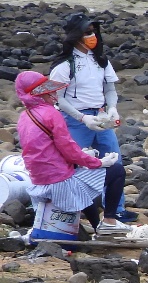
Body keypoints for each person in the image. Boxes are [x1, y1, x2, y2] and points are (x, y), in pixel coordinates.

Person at [13, 71, 127, 235]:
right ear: (38, 94)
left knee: (80, 178)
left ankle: (97, 227)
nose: (53, 94)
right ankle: (109, 220)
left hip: (38, 182)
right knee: (116, 171)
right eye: (48, 91)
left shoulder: (25, 116)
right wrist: (99, 162)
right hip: (59, 183)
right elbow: (69, 150)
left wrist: (83, 157)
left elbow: (45, 150)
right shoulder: (52, 113)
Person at [49, 13, 131, 221]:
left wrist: (112, 108)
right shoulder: (63, 65)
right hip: (75, 120)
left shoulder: (101, 60)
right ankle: (72, 209)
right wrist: (81, 118)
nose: (92, 36)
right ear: (76, 36)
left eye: (93, 31)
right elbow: (57, 98)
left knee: (114, 161)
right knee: (74, 165)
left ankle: (116, 210)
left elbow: (110, 89)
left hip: (101, 116)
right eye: (87, 32)